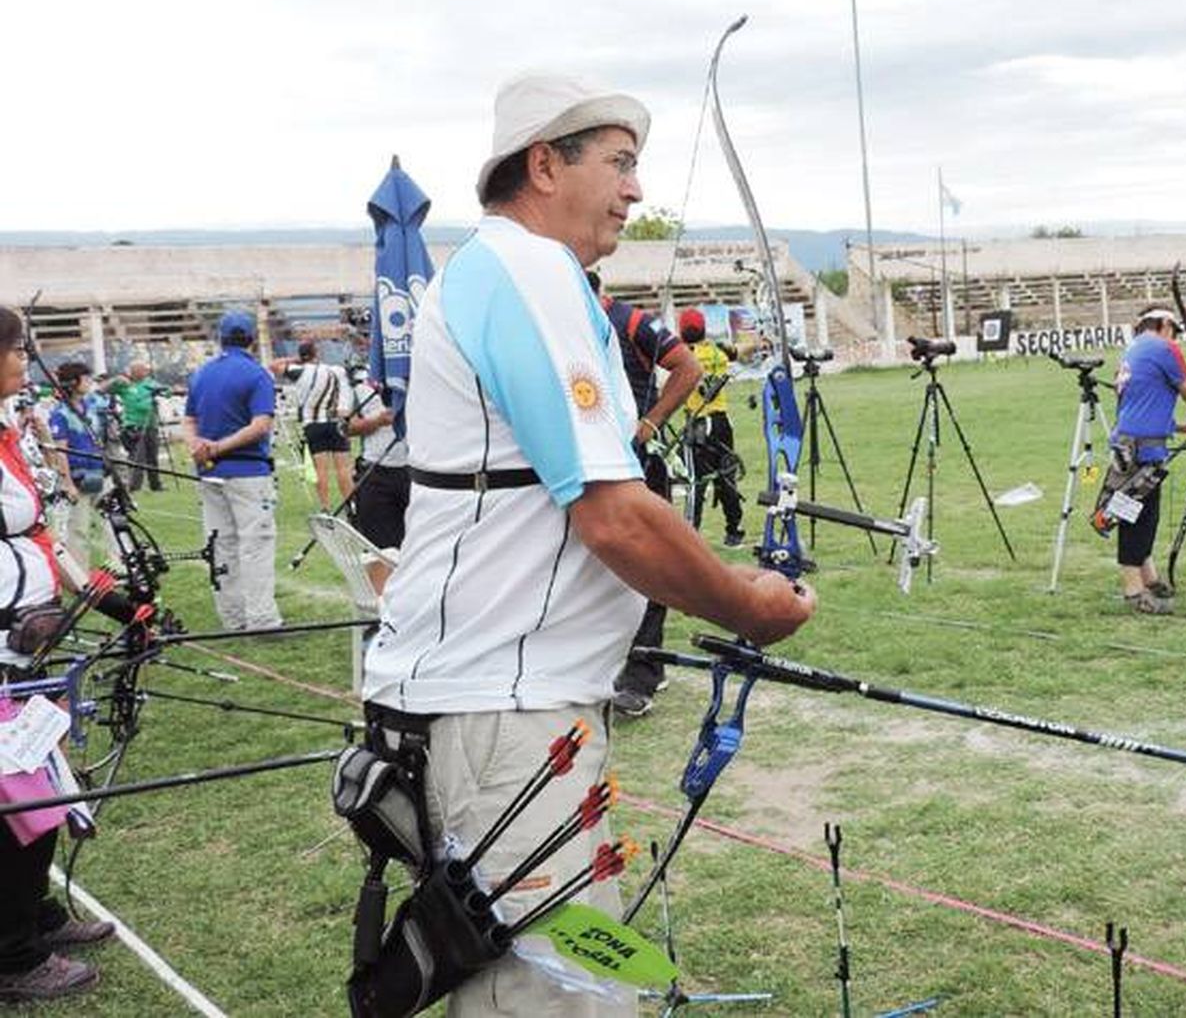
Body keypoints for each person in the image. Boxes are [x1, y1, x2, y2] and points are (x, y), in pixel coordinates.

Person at [361, 72, 814, 1017]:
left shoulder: (513, 271)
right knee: (552, 997)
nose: (635, 190)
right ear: (542, 164)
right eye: (618, 163)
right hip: (501, 709)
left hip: (515, 704)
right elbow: (610, 512)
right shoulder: (523, 270)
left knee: (562, 981)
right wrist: (747, 603)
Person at [0, 307, 115, 1003]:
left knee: (44, 778)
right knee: (15, 793)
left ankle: (33, 917)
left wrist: (113, 599)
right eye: (17, 348)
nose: (25, 359)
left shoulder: (10, 434)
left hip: (32, 636)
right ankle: (12, 954)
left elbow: (41, 534)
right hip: (5, 643)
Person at [586, 270, 703, 718]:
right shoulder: (561, 325)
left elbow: (687, 368)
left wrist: (648, 424)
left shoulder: (630, 321)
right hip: (591, 467)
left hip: (637, 464)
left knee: (648, 563)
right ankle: (610, 662)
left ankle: (644, 671)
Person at [1104, 308, 1186, 614]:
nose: (1178, 339)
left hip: (1131, 443)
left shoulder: (1133, 350)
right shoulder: (1164, 347)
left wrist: (1182, 427)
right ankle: (1135, 592)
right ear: (1164, 325)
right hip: (1141, 449)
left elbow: (1143, 402)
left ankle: (1150, 578)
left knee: (1145, 514)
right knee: (1135, 515)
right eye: (1175, 331)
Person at [183, 312, 282, 631]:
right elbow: (261, 424)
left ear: (220, 339)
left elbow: (189, 420)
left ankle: (233, 617)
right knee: (255, 543)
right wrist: (219, 446)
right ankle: (262, 618)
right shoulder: (257, 375)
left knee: (220, 543)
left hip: (209, 470)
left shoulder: (201, 374)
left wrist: (198, 446)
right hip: (248, 470)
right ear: (252, 339)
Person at [678, 307, 746, 546]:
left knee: (695, 480)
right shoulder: (718, 352)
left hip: (699, 424)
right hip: (723, 422)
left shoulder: (684, 355)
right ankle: (734, 531)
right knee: (726, 477)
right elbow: (737, 352)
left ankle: (689, 537)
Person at [272, 341, 354, 512]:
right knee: (343, 468)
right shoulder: (333, 370)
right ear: (317, 353)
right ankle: (350, 505)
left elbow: (274, 366)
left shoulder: (299, 371)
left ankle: (325, 507)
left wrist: (297, 359)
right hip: (335, 423)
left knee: (320, 469)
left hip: (313, 425)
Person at [345, 370, 408, 587]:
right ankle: (381, 614)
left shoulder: (420, 376)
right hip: (376, 472)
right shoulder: (360, 384)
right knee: (379, 550)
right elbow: (345, 427)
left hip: (418, 472)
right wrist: (378, 421)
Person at [46, 363, 107, 566]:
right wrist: (67, 482)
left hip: (99, 471)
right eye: (86, 378)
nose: (90, 382)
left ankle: (122, 569)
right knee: (79, 529)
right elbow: (60, 451)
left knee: (114, 522)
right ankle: (82, 577)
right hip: (77, 475)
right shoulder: (60, 413)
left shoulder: (92, 405)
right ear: (73, 383)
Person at [107, 361, 167, 491]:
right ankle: (134, 485)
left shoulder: (150, 383)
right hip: (133, 425)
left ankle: (155, 484)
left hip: (151, 424)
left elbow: (167, 392)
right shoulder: (125, 384)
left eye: (147, 370)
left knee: (153, 456)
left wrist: (161, 392)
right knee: (137, 457)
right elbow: (107, 389)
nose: (146, 372)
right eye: (143, 370)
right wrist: (117, 381)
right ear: (134, 371)